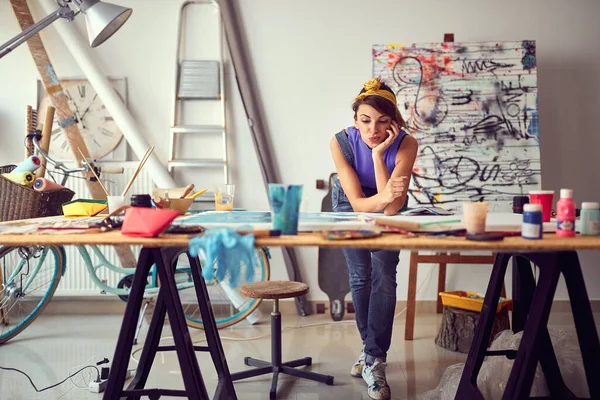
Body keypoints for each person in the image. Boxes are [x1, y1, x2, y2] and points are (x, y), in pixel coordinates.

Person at [329, 77, 418, 400]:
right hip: (350, 202)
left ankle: (372, 358)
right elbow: (357, 204)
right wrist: (382, 200)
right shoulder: (340, 143)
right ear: (355, 121)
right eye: (365, 121)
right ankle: (372, 354)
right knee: (360, 275)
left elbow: (392, 208)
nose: (373, 130)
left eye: (382, 122)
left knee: (384, 274)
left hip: (387, 204)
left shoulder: (407, 144)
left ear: (394, 122)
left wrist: (380, 156)